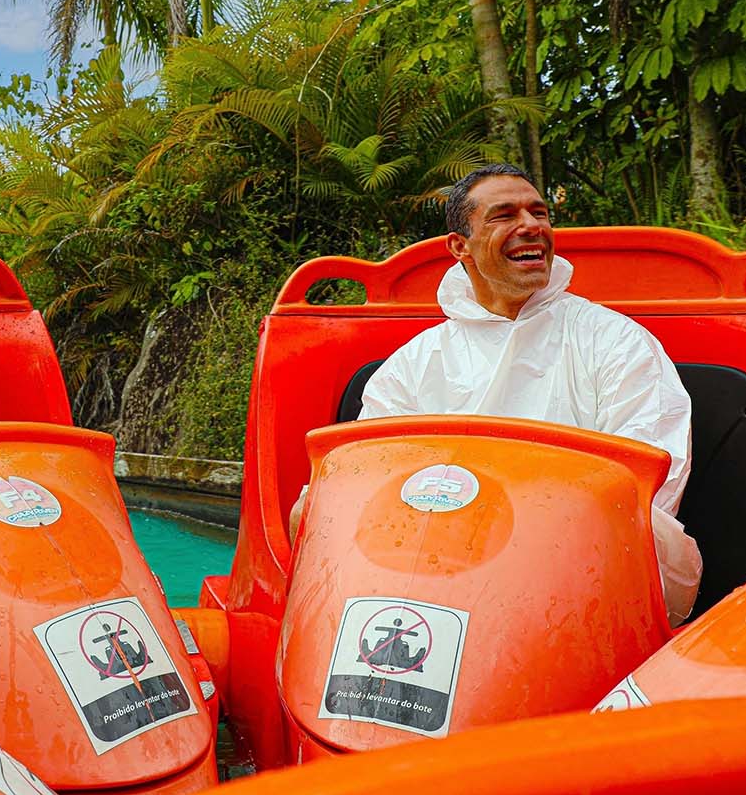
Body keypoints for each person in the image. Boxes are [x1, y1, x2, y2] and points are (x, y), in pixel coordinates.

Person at [292, 164, 703, 625]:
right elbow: (368, 476)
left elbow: (649, 478)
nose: (531, 226)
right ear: (459, 246)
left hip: (573, 574)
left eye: (540, 213)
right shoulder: (417, 360)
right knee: (313, 505)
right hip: (430, 567)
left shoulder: (613, 340)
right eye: (504, 215)